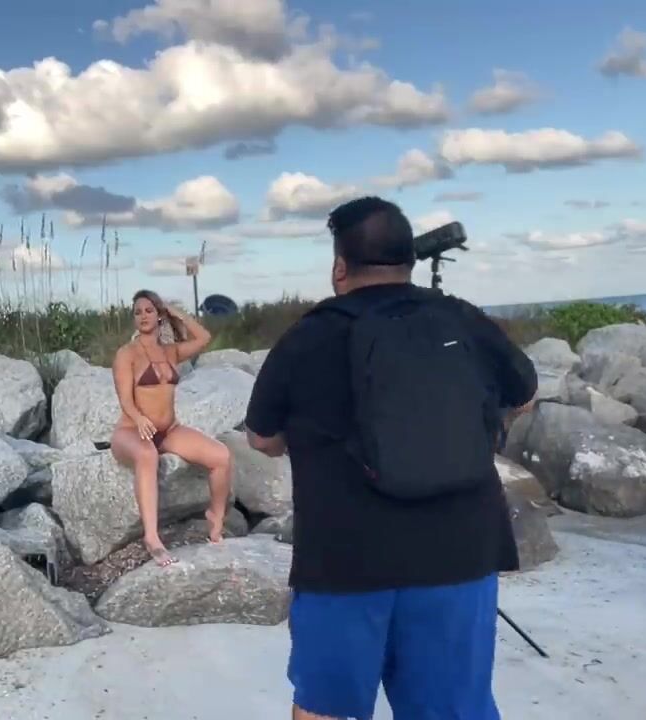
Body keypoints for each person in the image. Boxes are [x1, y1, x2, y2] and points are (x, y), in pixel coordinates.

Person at [244, 196, 538, 720]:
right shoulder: (461, 318)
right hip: (460, 552)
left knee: (325, 711)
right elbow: (524, 395)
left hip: (346, 561)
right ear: (409, 259)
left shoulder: (307, 336)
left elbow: (261, 438)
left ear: (340, 267)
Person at [111, 289, 233, 567]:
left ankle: (215, 516)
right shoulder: (127, 354)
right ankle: (152, 538)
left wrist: (175, 312)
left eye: (149, 310)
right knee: (147, 455)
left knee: (221, 456)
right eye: (137, 312)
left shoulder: (171, 351)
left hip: (169, 431)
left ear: (159, 315)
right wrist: (139, 418)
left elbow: (203, 337)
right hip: (131, 431)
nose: (143, 316)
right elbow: (125, 399)